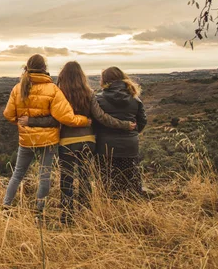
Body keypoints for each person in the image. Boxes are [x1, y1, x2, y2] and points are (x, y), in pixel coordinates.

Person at [18, 61, 135, 223]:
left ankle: (67, 216)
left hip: (67, 142)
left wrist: (30, 121)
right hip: (88, 142)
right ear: (81, 76)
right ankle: (85, 214)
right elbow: (101, 117)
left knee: (67, 179)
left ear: (63, 76)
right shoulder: (89, 93)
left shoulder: (59, 94)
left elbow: (53, 120)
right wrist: (125, 125)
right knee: (85, 178)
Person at [2, 54, 92, 216]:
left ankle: (6, 206)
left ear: (27, 67)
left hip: (26, 140)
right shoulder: (52, 90)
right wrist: (85, 121)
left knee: (18, 174)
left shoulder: (18, 88)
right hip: (48, 140)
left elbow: (8, 115)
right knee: (44, 175)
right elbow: (67, 118)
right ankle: (39, 211)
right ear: (45, 68)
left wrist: (23, 123)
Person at [94, 67, 147, 197]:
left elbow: (95, 122)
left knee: (106, 183)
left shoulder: (98, 99)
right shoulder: (135, 99)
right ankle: (132, 209)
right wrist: (133, 133)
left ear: (104, 80)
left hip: (105, 146)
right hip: (129, 146)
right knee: (131, 183)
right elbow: (142, 121)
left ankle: (109, 210)